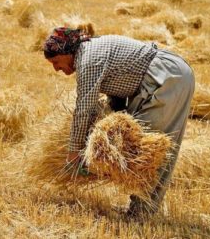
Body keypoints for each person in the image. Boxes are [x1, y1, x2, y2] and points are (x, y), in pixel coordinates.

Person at [43, 25, 195, 218]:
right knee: (140, 148)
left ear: (68, 52)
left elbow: (84, 110)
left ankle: (141, 214)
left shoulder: (88, 60)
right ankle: (139, 210)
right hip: (166, 75)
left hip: (168, 78)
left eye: (56, 62)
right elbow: (117, 88)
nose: (56, 69)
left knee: (148, 150)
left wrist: (74, 152)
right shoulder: (88, 51)